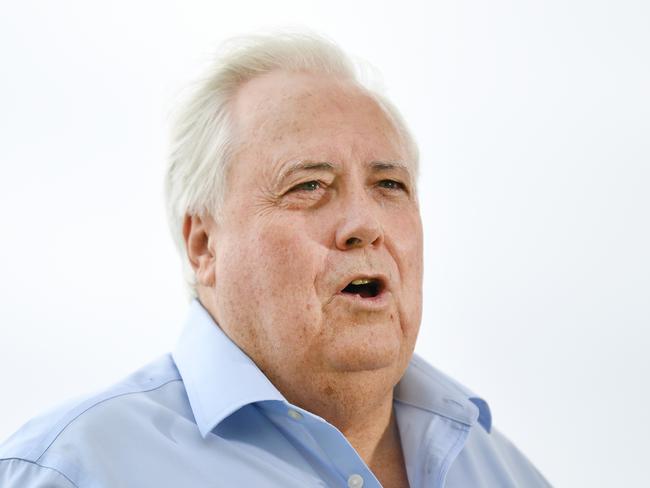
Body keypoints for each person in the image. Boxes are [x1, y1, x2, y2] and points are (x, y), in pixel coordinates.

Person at [0, 32, 551, 487]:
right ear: (203, 245)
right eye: (309, 185)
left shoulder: (506, 473)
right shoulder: (73, 470)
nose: (365, 224)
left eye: (389, 184)